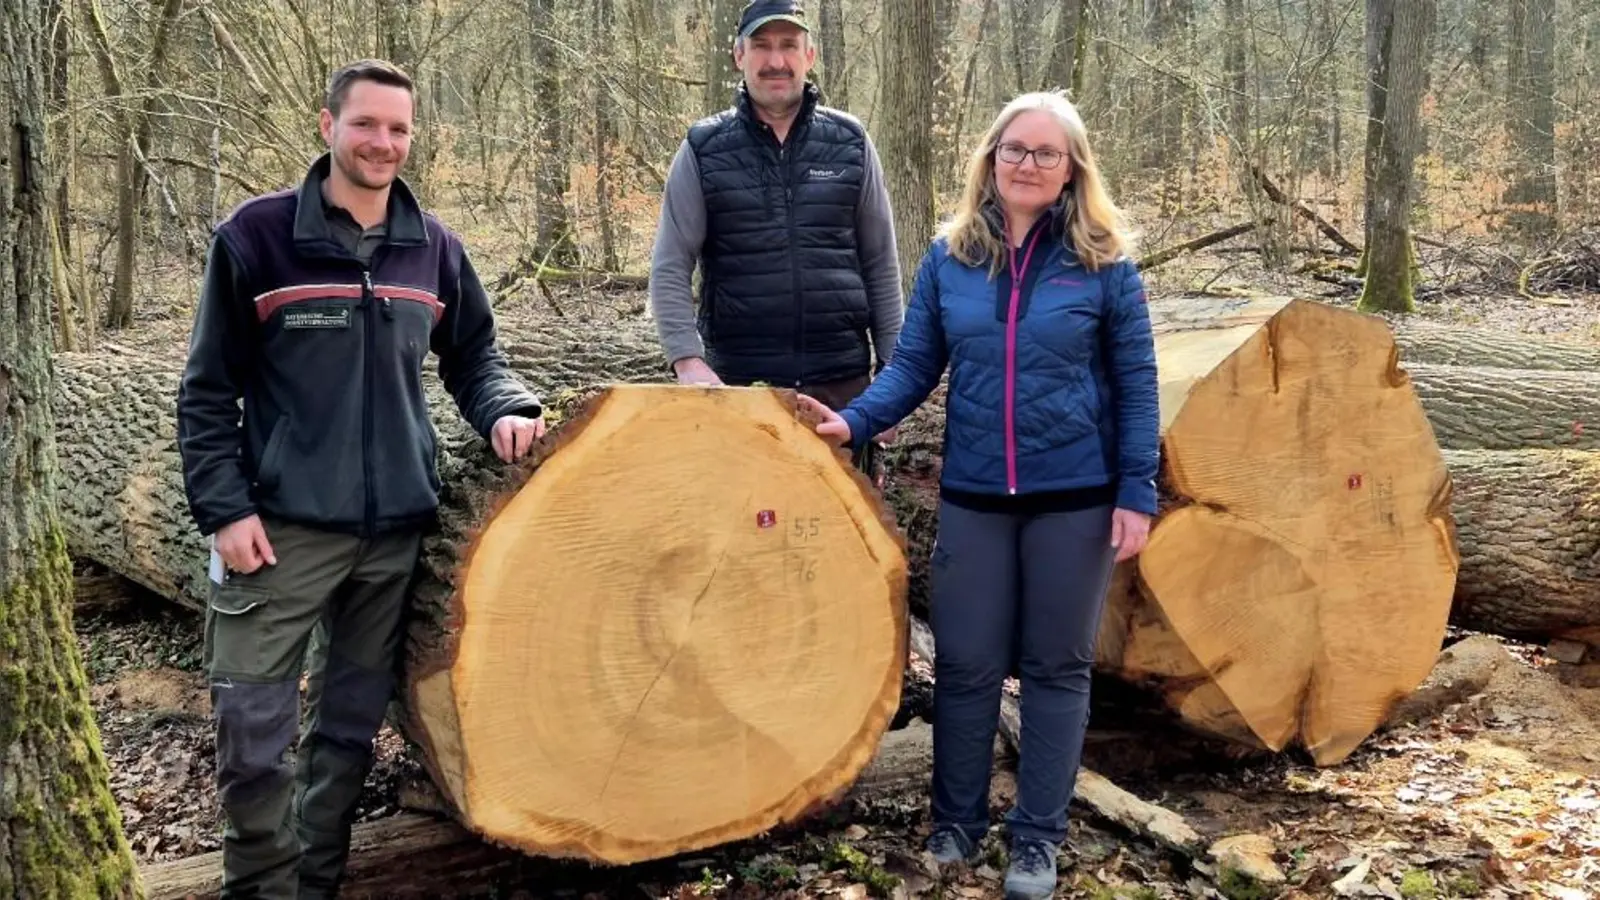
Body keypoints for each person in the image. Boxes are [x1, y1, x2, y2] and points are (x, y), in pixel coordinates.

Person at [175, 59, 544, 899]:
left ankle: (318, 883)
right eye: (367, 124)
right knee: (251, 732)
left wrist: (505, 409)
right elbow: (205, 391)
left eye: (399, 129)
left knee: (345, 729)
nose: (383, 143)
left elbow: (475, 355)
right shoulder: (256, 238)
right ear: (327, 126)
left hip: (395, 534)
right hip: (281, 530)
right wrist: (224, 510)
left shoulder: (434, 248)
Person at [800, 91, 1160, 900]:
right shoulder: (950, 258)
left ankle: (1036, 840)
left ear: (1072, 170)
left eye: (1046, 153)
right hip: (973, 497)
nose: (1027, 164)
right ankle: (954, 824)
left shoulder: (1105, 263)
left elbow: (1138, 386)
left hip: (1076, 499)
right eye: (1014, 150)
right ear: (990, 160)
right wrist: (851, 423)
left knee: (1056, 668)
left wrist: (1138, 492)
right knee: (965, 666)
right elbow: (912, 366)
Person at [648, 0, 904, 468]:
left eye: (789, 45)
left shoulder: (850, 142)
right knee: (741, 535)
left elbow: (880, 264)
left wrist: (892, 377)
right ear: (738, 56)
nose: (776, 61)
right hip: (739, 389)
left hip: (842, 390)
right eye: (762, 46)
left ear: (809, 56)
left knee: (847, 534)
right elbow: (670, 265)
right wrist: (688, 361)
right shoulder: (704, 150)